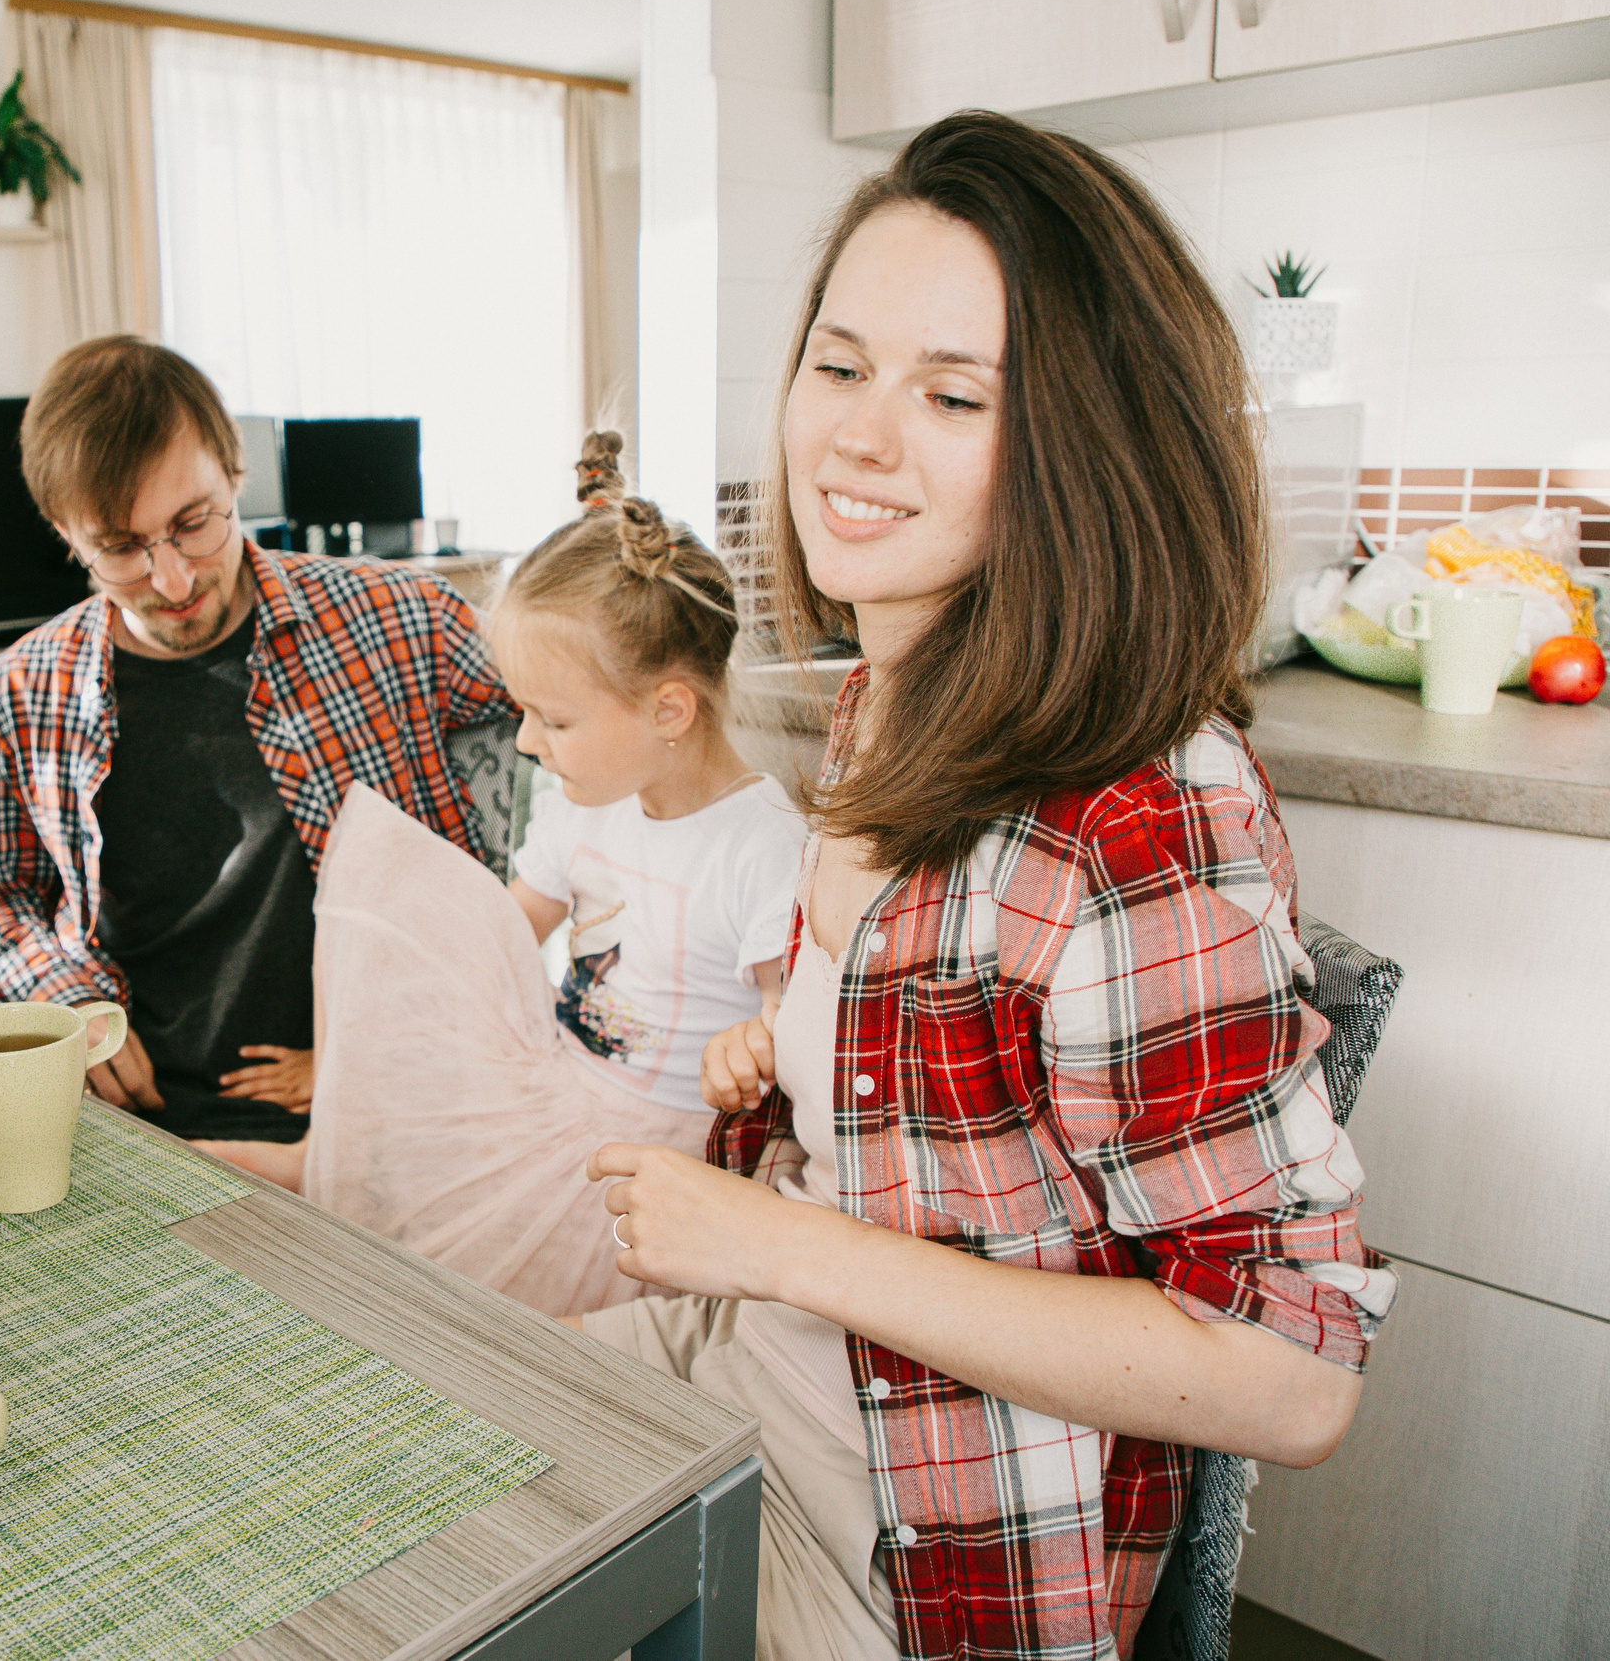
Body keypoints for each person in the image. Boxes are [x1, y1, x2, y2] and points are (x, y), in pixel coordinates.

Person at [579, 111, 1395, 1661]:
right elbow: (934, 1112)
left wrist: (773, 1243)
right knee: (400, 1452)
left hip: (917, 1539)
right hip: (764, 1364)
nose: (858, 438)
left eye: (953, 393)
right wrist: (784, 1059)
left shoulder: (1139, 820)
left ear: (1080, 450)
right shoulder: (889, 695)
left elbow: (1293, 1379)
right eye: (840, 364)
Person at [199, 434, 807, 1319]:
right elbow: (501, 929)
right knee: (425, 1118)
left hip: (668, 1139)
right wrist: (381, 1019)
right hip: (555, 1080)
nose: (524, 742)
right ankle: (341, 1160)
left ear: (668, 709)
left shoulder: (761, 844)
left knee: (500, 1298)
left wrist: (757, 1043)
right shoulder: (588, 799)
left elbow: (797, 1016)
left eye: (551, 718)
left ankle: (353, 1183)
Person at [0, 335, 518, 1142]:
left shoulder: (404, 618)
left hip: (397, 1094)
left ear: (235, 475)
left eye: (195, 523)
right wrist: (66, 999)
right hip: (147, 1125)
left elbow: (579, 738)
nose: (172, 579)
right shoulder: (18, 694)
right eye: (119, 549)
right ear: (64, 533)